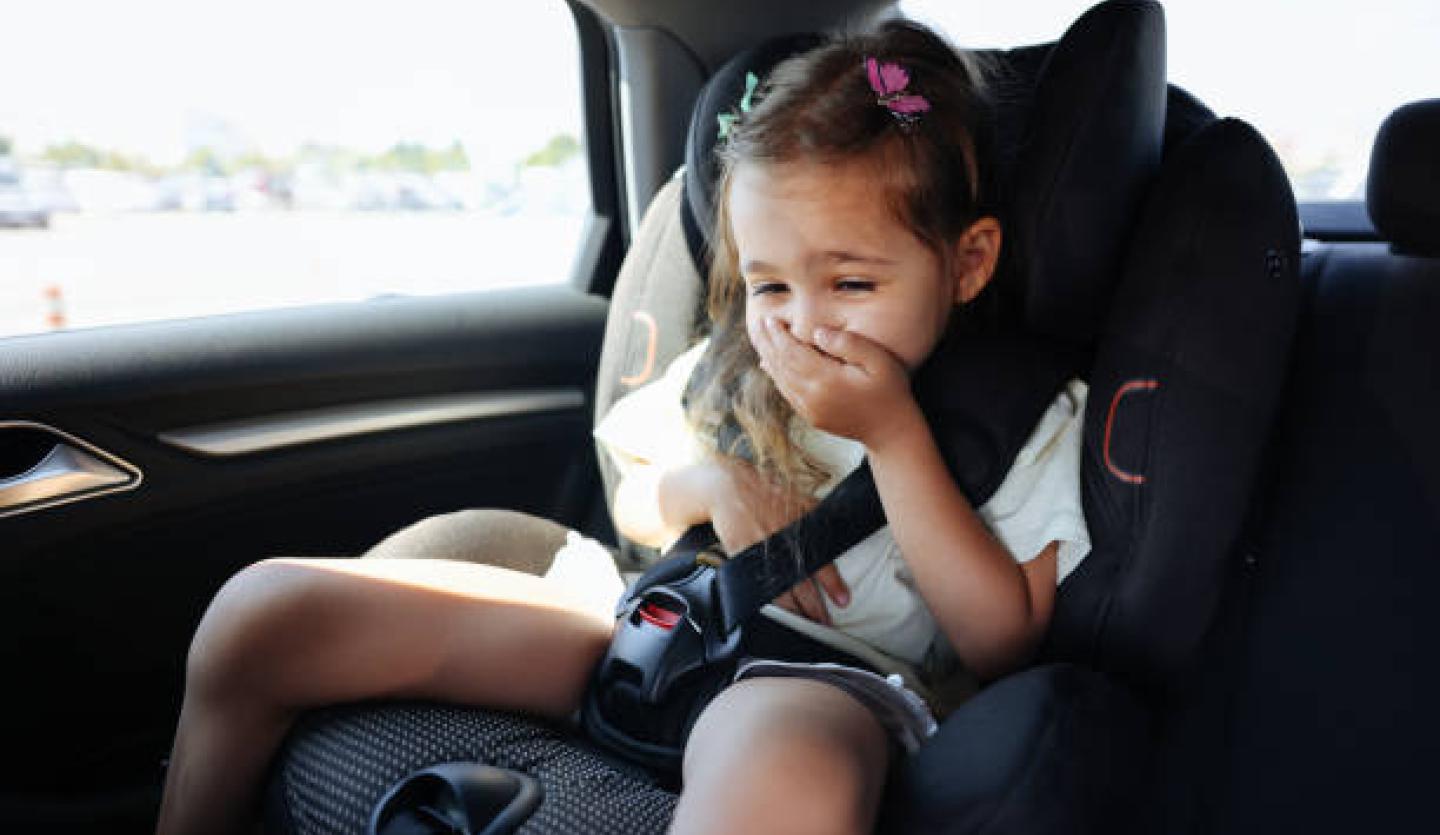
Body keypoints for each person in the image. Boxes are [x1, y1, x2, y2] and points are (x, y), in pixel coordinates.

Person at [155, 20, 1091, 835]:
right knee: (266, 611)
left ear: (967, 263)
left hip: (831, 678)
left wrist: (892, 436)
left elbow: (1002, 640)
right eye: (770, 283)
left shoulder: (1018, 419)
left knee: (785, 785)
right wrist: (711, 484)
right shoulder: (739, 360)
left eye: (851, 283)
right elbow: (638, 496)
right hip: (639, 616)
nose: (802, 322)